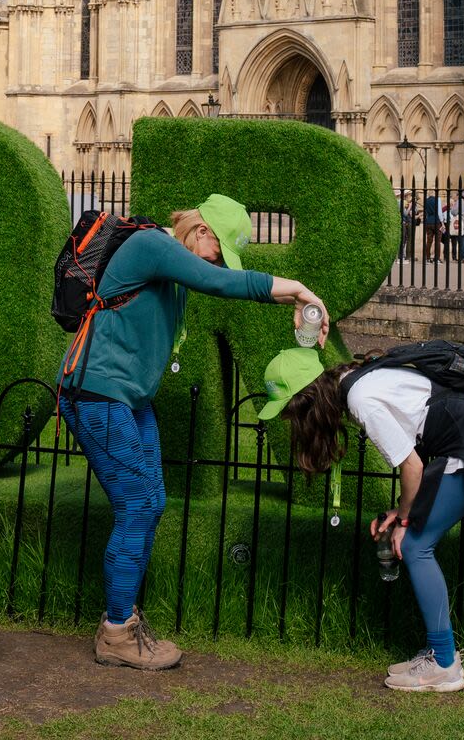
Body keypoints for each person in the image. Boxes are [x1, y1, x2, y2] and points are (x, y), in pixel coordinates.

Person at [57, 194, 326, 670]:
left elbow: (215, 278)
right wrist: (299, 289)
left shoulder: (169, 261)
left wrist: (295, 299)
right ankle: (116, 631)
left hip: (129, 399)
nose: (216, 262)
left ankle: (124, 620)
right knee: (137, 505)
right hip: (96, 391)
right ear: (202, 232)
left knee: (152, 503)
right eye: (219, 250)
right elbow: (220, 283)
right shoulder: (152, 246)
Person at [264, 344, 464, 694]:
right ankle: (442, 655)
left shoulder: (360, 400)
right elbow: (416, 450)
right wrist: (402, 511)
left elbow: (413, 466)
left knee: (414, 545)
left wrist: (405, 521)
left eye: (293, 416)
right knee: (412, 538)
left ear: (307, 403)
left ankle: (444, 664)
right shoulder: (357, 380)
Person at [422, 191, 442, 263]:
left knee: (429, 241)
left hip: (428, 222)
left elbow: (425, 211)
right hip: (436, 221)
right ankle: (437, 258)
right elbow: (439, 212)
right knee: (437, 241)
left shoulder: (426, 200)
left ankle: (427, 257)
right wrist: (442, 222)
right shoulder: (437, 199)